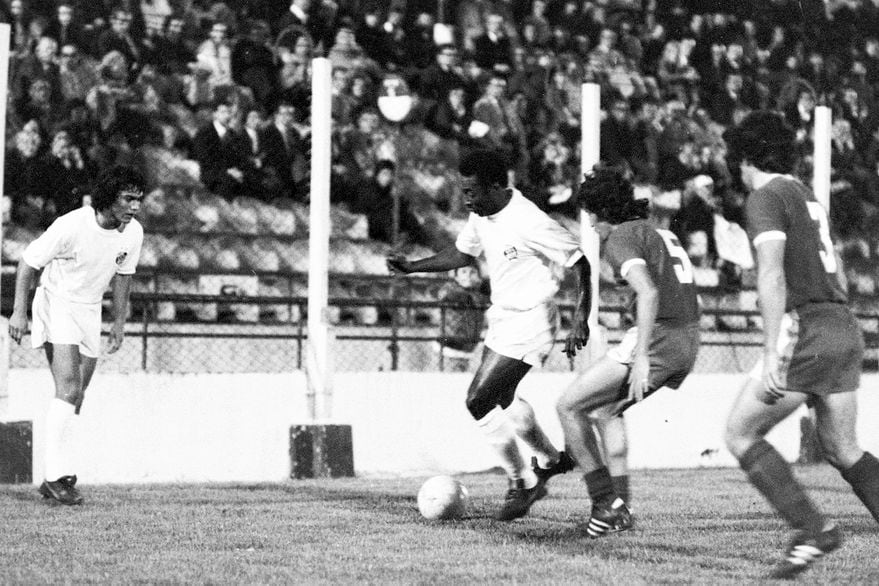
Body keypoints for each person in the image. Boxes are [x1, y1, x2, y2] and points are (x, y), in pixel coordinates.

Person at [386, 149, 590, 521]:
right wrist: (413, 268)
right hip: (503, 318)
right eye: (463, 192)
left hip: (534, 319)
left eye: (472, 192)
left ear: (497, 186)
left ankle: (522, 482)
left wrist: (581, 318)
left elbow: (581, 263)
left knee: (479, 400)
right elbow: (464, 254)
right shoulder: (482, 213)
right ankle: (550, 459)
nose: (466, 200)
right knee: (505, 398)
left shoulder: (529, 220)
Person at [722, 111, 879, 579]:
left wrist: (771, 351)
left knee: (740, 432)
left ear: (745, 157)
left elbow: (771, 273)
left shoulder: (765, 196)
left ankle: (812, 529)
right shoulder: (808, 196)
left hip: (807, 328)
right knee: (841, 447)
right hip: (842, 326)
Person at [555, 164, 700, 538]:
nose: (592, 228)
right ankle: (619, 508)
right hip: (685, 337)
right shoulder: (660, 232)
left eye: (592, 219)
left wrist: (639, 357)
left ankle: (605, 503)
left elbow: (649, 291)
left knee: (569, 407)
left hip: (658, 339)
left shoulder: (620, 237)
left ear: (602, 213)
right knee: (607, 410)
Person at [8, 165, 146, 506]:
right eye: (128, 199)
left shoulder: (133, 233)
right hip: (57, 302)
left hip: (89, 308)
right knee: (67, 388)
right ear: (109, 197)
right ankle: (55, 476)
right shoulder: (72, 225)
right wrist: (18, 311)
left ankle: (59, 473)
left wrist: (118, 323)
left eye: (138, 200)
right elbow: (28, 262)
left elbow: (123, 277)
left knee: (77, 397)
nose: (134, 207)